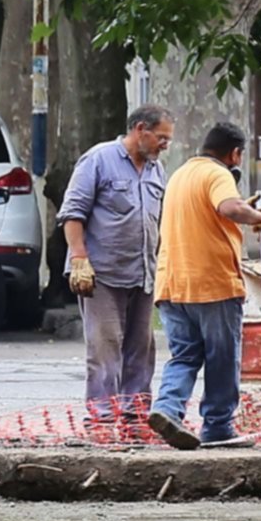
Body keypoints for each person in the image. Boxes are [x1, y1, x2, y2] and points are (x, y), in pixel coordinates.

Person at [147, 122, 261, 451]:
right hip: (212, 284)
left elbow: (208, 213)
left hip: (173, 283)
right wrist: (257, 216)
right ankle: (217, 425)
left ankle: (166, 410)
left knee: (185, 355)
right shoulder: (218, 175)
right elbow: (228, 208)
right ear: (234, 154)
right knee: (222, 357)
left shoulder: (180, 175)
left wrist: (244, 207)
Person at [58, 105, 174, 426]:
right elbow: (73, 213)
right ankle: (103, 417)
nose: (165, 144)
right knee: (105, 347)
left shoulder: (155, 170)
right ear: (140, 129)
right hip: (102, 275)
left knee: (141, 348)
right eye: (161, 137)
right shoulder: (98, 160)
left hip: (142, 272)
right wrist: (79, 258)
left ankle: (135, 414)